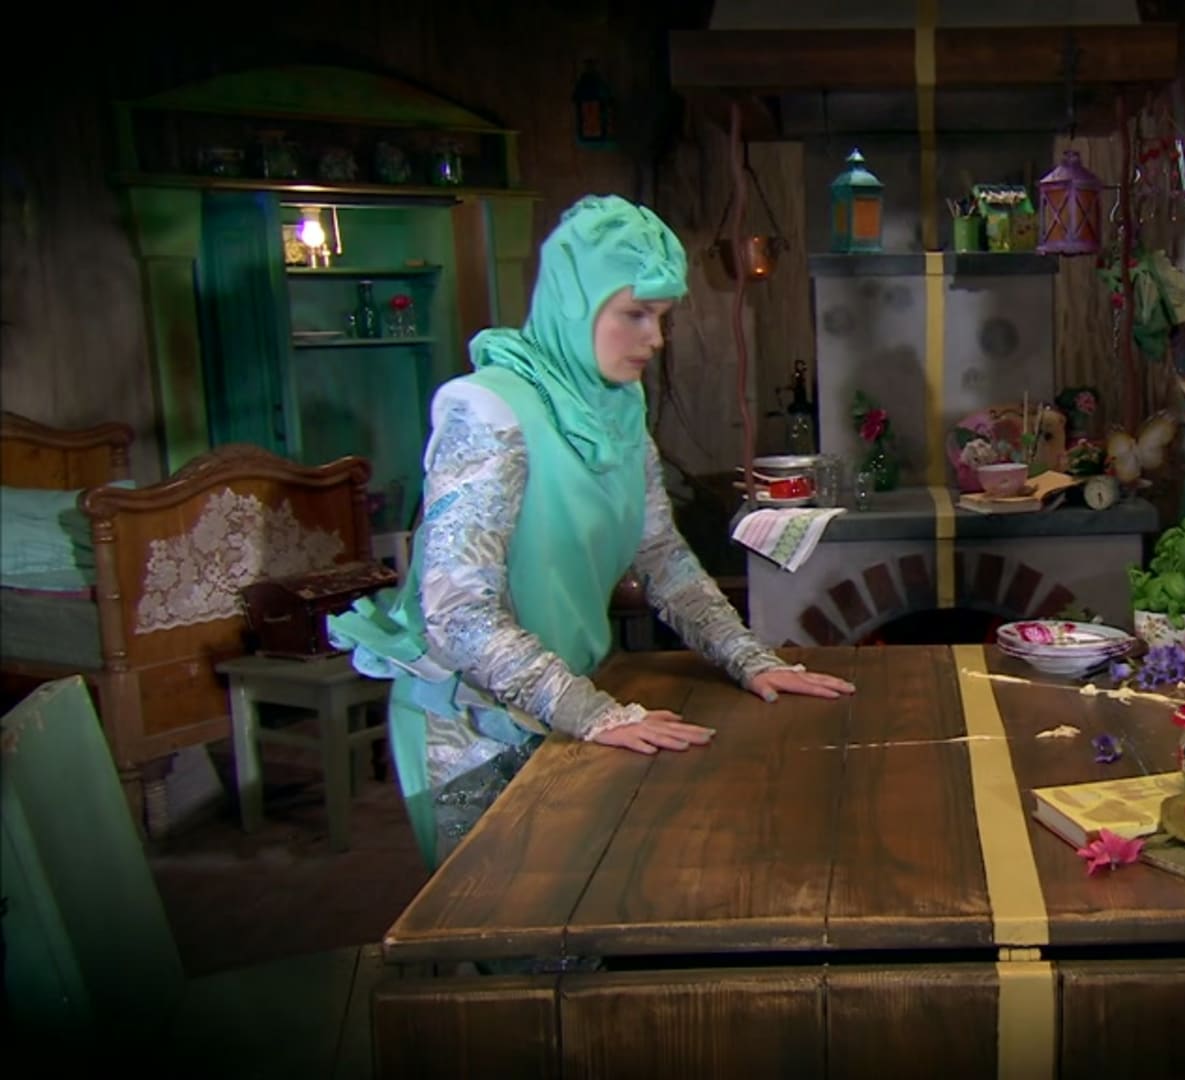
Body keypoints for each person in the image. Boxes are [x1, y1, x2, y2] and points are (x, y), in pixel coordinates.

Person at [329, 195, 853, 866]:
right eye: (635, 314)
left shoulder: (616, 406)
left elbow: (662, 559)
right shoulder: (487, 410)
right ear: (574, 303)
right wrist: (591, 712)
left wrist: (750, 659)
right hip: (470, 726)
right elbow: (457, 614)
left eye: (661, 317)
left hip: (563, 702)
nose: (655, 340)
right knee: (500, 912)